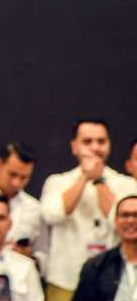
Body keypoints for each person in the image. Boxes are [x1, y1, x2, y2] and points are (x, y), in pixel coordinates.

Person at [41, 118, 137, 301]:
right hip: (64, 280)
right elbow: (53, 215)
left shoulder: (127, 184)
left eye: (101, 141)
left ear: (109, 145)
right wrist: (85, 177)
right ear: (74, 147)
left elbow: (120, 222)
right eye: (87, 142)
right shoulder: (57, 182)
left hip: (109, 280)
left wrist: (98, 180)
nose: (95, 147)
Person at [72, 193, 137, 301]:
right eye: (125, 215)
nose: (130, 220)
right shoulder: (96, 266)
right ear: (115, 221)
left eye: (136, 215)